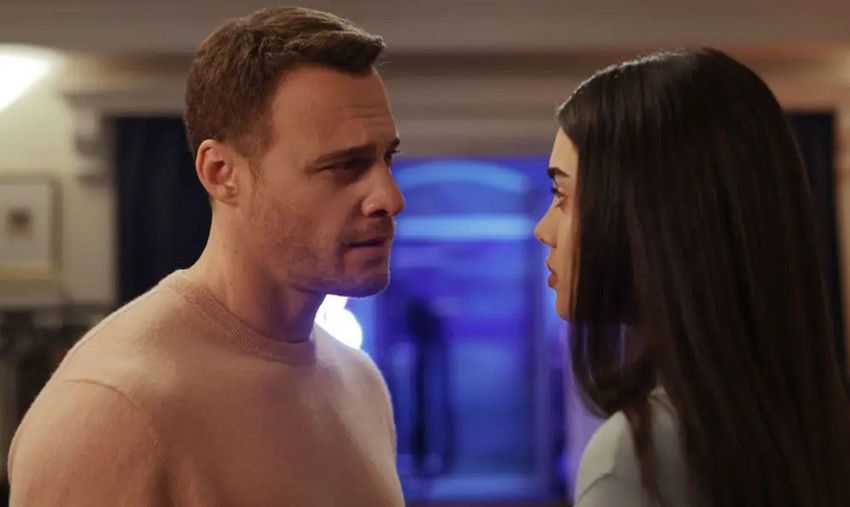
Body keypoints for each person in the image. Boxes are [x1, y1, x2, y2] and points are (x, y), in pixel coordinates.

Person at [8, 6, 405, 506]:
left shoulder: (359, 382)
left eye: (386, 158)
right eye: (345, 166)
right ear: (221, 172)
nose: (390, 199)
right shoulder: (112, 408)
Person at [534, 48, 850, 506]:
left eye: (562, 196)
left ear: (644, 216)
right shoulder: (805, 429)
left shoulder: (635, 457)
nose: (543, 229)